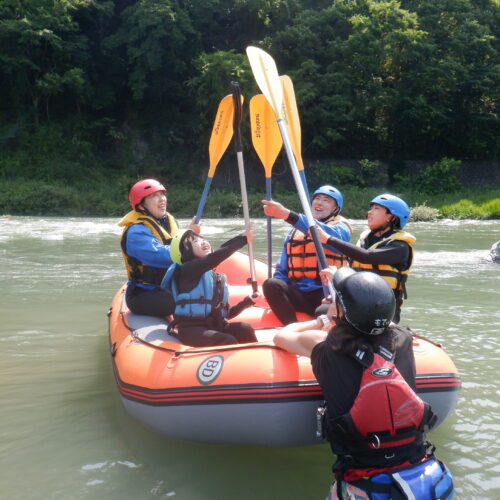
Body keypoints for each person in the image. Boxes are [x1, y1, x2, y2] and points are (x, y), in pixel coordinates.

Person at [274, 269, 454, 500]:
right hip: (420, 469)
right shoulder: (403, 338)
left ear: (341, 311)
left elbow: (283, 336)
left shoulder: (325, 346)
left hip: (365, 479)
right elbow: (379, 321)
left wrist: (323, 319)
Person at [316, 194, 415, 323]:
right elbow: (355, 273)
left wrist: (328, 239)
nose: (370, 212)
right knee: (321, 310)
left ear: (391, 217)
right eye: (371, 208)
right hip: (357, 303)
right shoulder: (365, 240)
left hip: (382, 309)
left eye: (376, 209)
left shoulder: (400, 247)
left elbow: (366, 257)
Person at [261, 185, 352, 325]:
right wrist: (276, 295)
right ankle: (291, 328)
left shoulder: (341, 228)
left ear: (335, 209)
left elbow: (325, 235)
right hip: (299, 292)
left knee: (322, 311)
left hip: (325, 294)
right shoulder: (294, 232)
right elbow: (282, 270)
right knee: (271, 284)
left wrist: (287, 214)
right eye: (317, 198)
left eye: (326, 200)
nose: (319, 202)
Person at [161, 227, 259, 347]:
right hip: (191, 330)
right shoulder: (187, 270)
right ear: (185, 251)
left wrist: (248, 301)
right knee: (228, 340)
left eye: (202, 239)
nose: (202, 242)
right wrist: (242, 239)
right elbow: (215, 257)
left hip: (214, 326)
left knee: (244, 328)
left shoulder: (213, 277)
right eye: (195, 241)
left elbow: (226, 314)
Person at [119, 178, 200, 317]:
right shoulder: (136, 232)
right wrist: (188, 238)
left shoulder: (168, 221)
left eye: (162, 194)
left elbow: (175, 244)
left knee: (205, 293)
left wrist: (192, 238)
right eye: (153, 196)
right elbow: (161, 257)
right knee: (188, 301)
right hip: (143, 294)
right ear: (141, 205)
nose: (162, 199)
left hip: (168, 287)